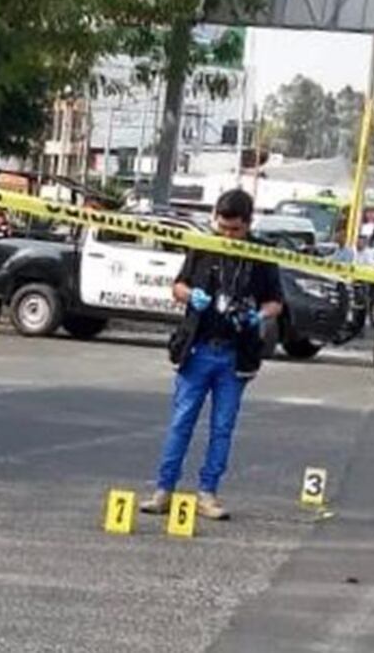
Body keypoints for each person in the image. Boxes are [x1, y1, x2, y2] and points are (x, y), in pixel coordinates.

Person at [139, 189, 284, 521]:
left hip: (236, 356)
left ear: (249, 224)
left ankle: (208, 493)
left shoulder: (262, 254)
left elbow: (275, 301)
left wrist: (259, 316)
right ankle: (164, 490)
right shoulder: (204, 246)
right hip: (198, 349)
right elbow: (177, 286)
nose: (228, 236)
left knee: (222, 427)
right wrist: (192, 295)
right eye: (223, 227)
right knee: (181, 422)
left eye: (235, 230)